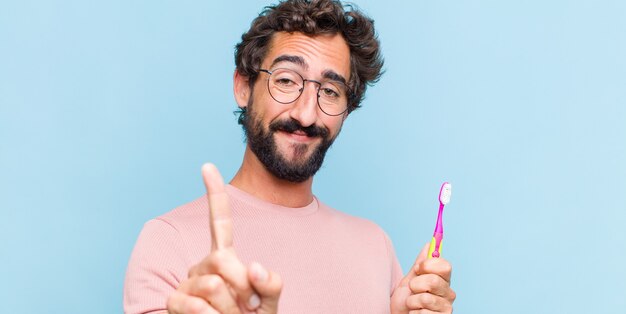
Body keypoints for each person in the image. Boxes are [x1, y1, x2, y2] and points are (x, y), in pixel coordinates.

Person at [124, 0, 456, 313]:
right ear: (243, 87)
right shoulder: (168, 242)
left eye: (329, 91)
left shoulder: (376, 247)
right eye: (286, 80)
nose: (306, 114)